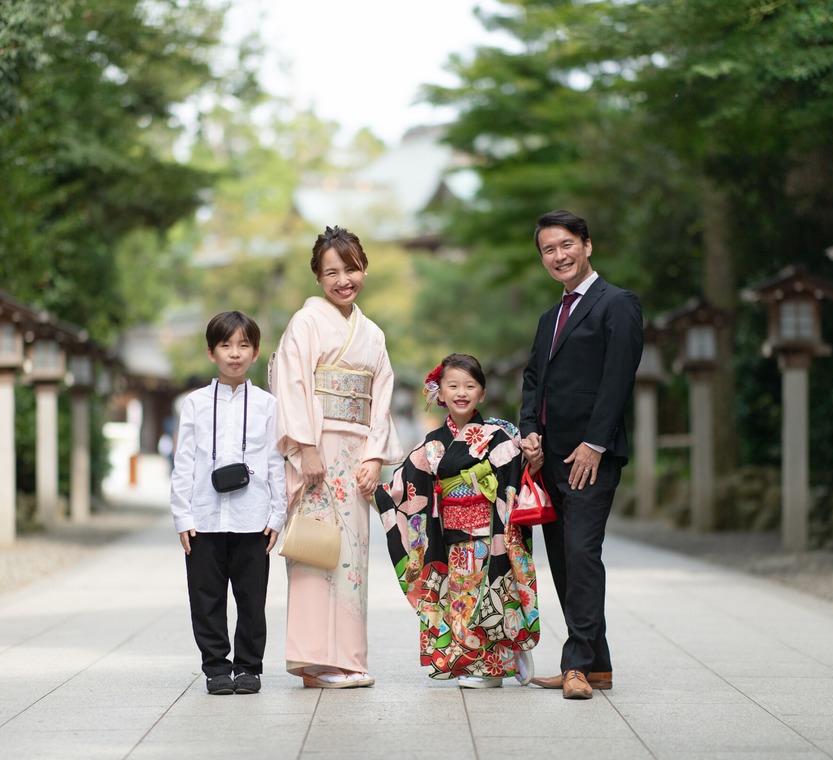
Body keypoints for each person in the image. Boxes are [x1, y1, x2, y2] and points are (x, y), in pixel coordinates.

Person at [269, 225, 403, 688]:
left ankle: (347, 657)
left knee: (352, 558)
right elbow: (291, 384)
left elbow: (381, 397)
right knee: (315, 549)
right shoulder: (305, 323)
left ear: (364, 268)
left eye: (351, 269)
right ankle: (312, 662)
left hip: (356, 453)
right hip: (317, 450)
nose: (343, 280)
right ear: (317, 277)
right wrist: (305, 447)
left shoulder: (373, 334)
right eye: (332, 272)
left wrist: (375, 457)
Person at [519, 210, 643, 700]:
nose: (559, 256)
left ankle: (574, 665)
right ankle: (598, 665)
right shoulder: (550, 317)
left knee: (582, 554)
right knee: (565, 562)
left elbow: (618, 378)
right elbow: (533, 380)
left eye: (566, 244)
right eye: (548, 249)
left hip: (591, 455)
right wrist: (530, 432)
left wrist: (595, 443)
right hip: (548, 458)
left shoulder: (618, 304)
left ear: (587, 245)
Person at [375, 353, 540, 688]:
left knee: (492, 595)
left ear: (482, 393)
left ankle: (494, 666)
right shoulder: (432, 444)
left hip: (492, 532)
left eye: (470, 386)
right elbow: (405, 484)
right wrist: (380, 493)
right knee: (461, 601)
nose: (461, 392)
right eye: (453, 386)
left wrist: (530, 460)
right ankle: (481, 662)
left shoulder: (499, 435)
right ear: (440, 392)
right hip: (452, 538)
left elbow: (514, 479)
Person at [169, 311, 287, 696]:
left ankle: (249, 667)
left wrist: (278, 514)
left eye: (243, 345)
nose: (234, 353)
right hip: (204, 517)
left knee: (252, 599)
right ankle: (216, 667)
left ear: (255, 352)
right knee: (206, 598)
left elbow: (275, 460)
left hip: (253, 517)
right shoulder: (195, 403)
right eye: (225, 345)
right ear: (211, 352)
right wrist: (182, 515)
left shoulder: (268, 404)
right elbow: (184, 461)